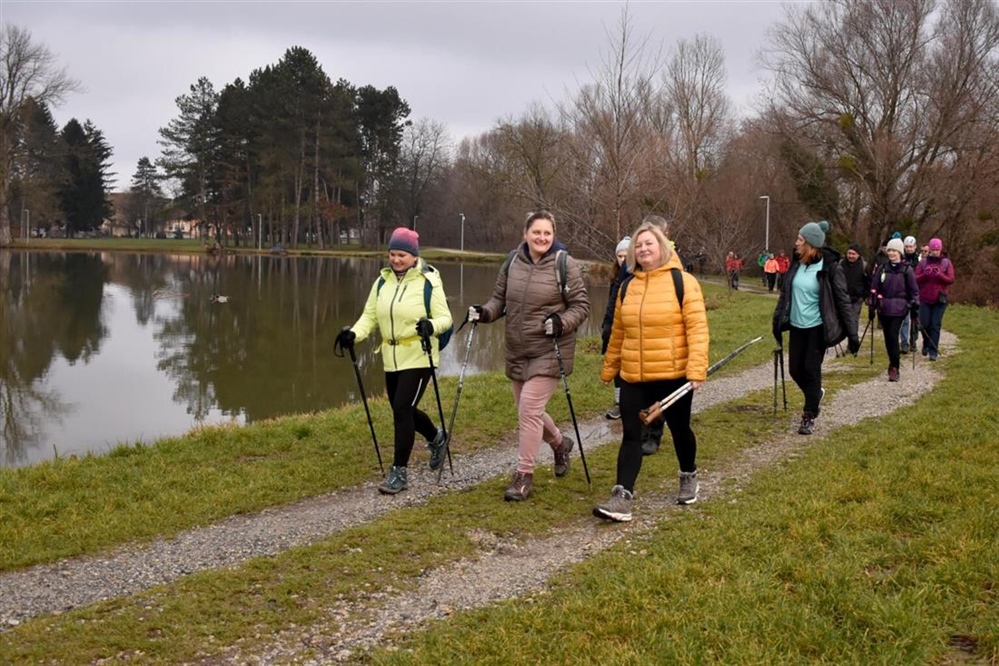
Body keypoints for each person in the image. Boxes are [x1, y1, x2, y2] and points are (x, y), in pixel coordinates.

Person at [467, 210, 590, 502]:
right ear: (525, 234)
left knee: (529, 410)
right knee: (527, 409)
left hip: (549, 350)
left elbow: (581, 305)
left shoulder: (564, 264)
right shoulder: (512, 262)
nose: (542, 238)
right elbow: (499, 301)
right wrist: (484, 313)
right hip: (517, 350)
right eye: (537, 232)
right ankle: (560, 444)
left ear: (553, 235)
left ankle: (524, 476)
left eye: (547, 233)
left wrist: (561, 322)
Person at [594, 221, 709, 522]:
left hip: (673, 374)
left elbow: (697, 329)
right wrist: (610, 367)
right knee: (631, 435)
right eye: (639, 244)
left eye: (649, 243)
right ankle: (622, 497)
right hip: (633, 375)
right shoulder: (627, 286)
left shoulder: (683, 282)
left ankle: (688, 474)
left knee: (680, 430)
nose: (643, 248)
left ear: (662, 247)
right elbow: (618, 333)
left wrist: (696, 369)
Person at [334, 227, 453, 495]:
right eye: (392, 254)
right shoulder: (382, 282)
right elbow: (370, 317)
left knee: (402, 409)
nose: (396, 260)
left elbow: (445, 318)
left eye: (402, 255)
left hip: (419, 355)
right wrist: (354, 335)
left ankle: (399, 472)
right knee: (403, 410)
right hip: (391, 357)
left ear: (414, 256)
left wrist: (430, 326)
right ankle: (436, 438)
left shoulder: (428, 281)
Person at [773, 220, 860, 435]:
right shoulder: (797, 264)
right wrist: (777, 320)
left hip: (817, 328)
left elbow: (842, 300)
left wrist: (853, 334)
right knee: (795, 370)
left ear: (810, 244)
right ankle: (816, 395)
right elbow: (785, 294)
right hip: (796, 326)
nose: (796, 243)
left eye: (800, 239)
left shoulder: (829, 268)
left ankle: (809, 415)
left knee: (811, 370)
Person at [871, 238, 919, 381]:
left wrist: (914, 304)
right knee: (888, 338)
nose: (891, 253)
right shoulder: (882, 268)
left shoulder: (907, 270)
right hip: (883, 308)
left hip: (900, 308)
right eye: (890, 250)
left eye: (894, 251)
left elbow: (914, 291)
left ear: (900, 253)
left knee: (893, 335)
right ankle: (892, 362)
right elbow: (874, 287)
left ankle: (895, 367)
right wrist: (872, 304)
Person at [601, 235, 631, 420]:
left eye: (626, 256)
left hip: (630, 327)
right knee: (616, 366)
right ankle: (619, 403)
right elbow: (610, 303)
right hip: (615, 327)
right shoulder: (614, 278)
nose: (622, 260)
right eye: (619, 256)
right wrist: (606, 324)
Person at [915, 237, 954, 361]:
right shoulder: (923, 263)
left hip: (940, 299)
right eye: (932, 249)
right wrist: (925, 275)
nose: (935, 252)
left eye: (937, 249)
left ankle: (933, 351)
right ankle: (926, 343)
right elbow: (916, 278)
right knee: (924, 324)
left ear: (940, 249)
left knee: (935, 325)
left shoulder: (946, 263)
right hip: (925, 298)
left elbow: (950, 279)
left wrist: (940, 275)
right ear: (929, 250)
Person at [898, 236, 920, 354]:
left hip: (916, 292)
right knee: (905, 320)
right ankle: (904, 342)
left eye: (911, 247)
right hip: (904, 293)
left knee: (915, 319)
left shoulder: (920, 260)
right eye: (907, 247)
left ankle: (913, 341)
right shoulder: (901, 259)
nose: (909, 249)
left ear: (915, 247)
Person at [839, 243, 870, 326]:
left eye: (853, 254)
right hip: (842, 298)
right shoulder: (841, 264)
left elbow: (868, 282)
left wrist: (863, 296)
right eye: (849, 253)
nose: (851, 256)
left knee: (853, 321)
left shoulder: (864, 266)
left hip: (856, 299)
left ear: (858, 255)